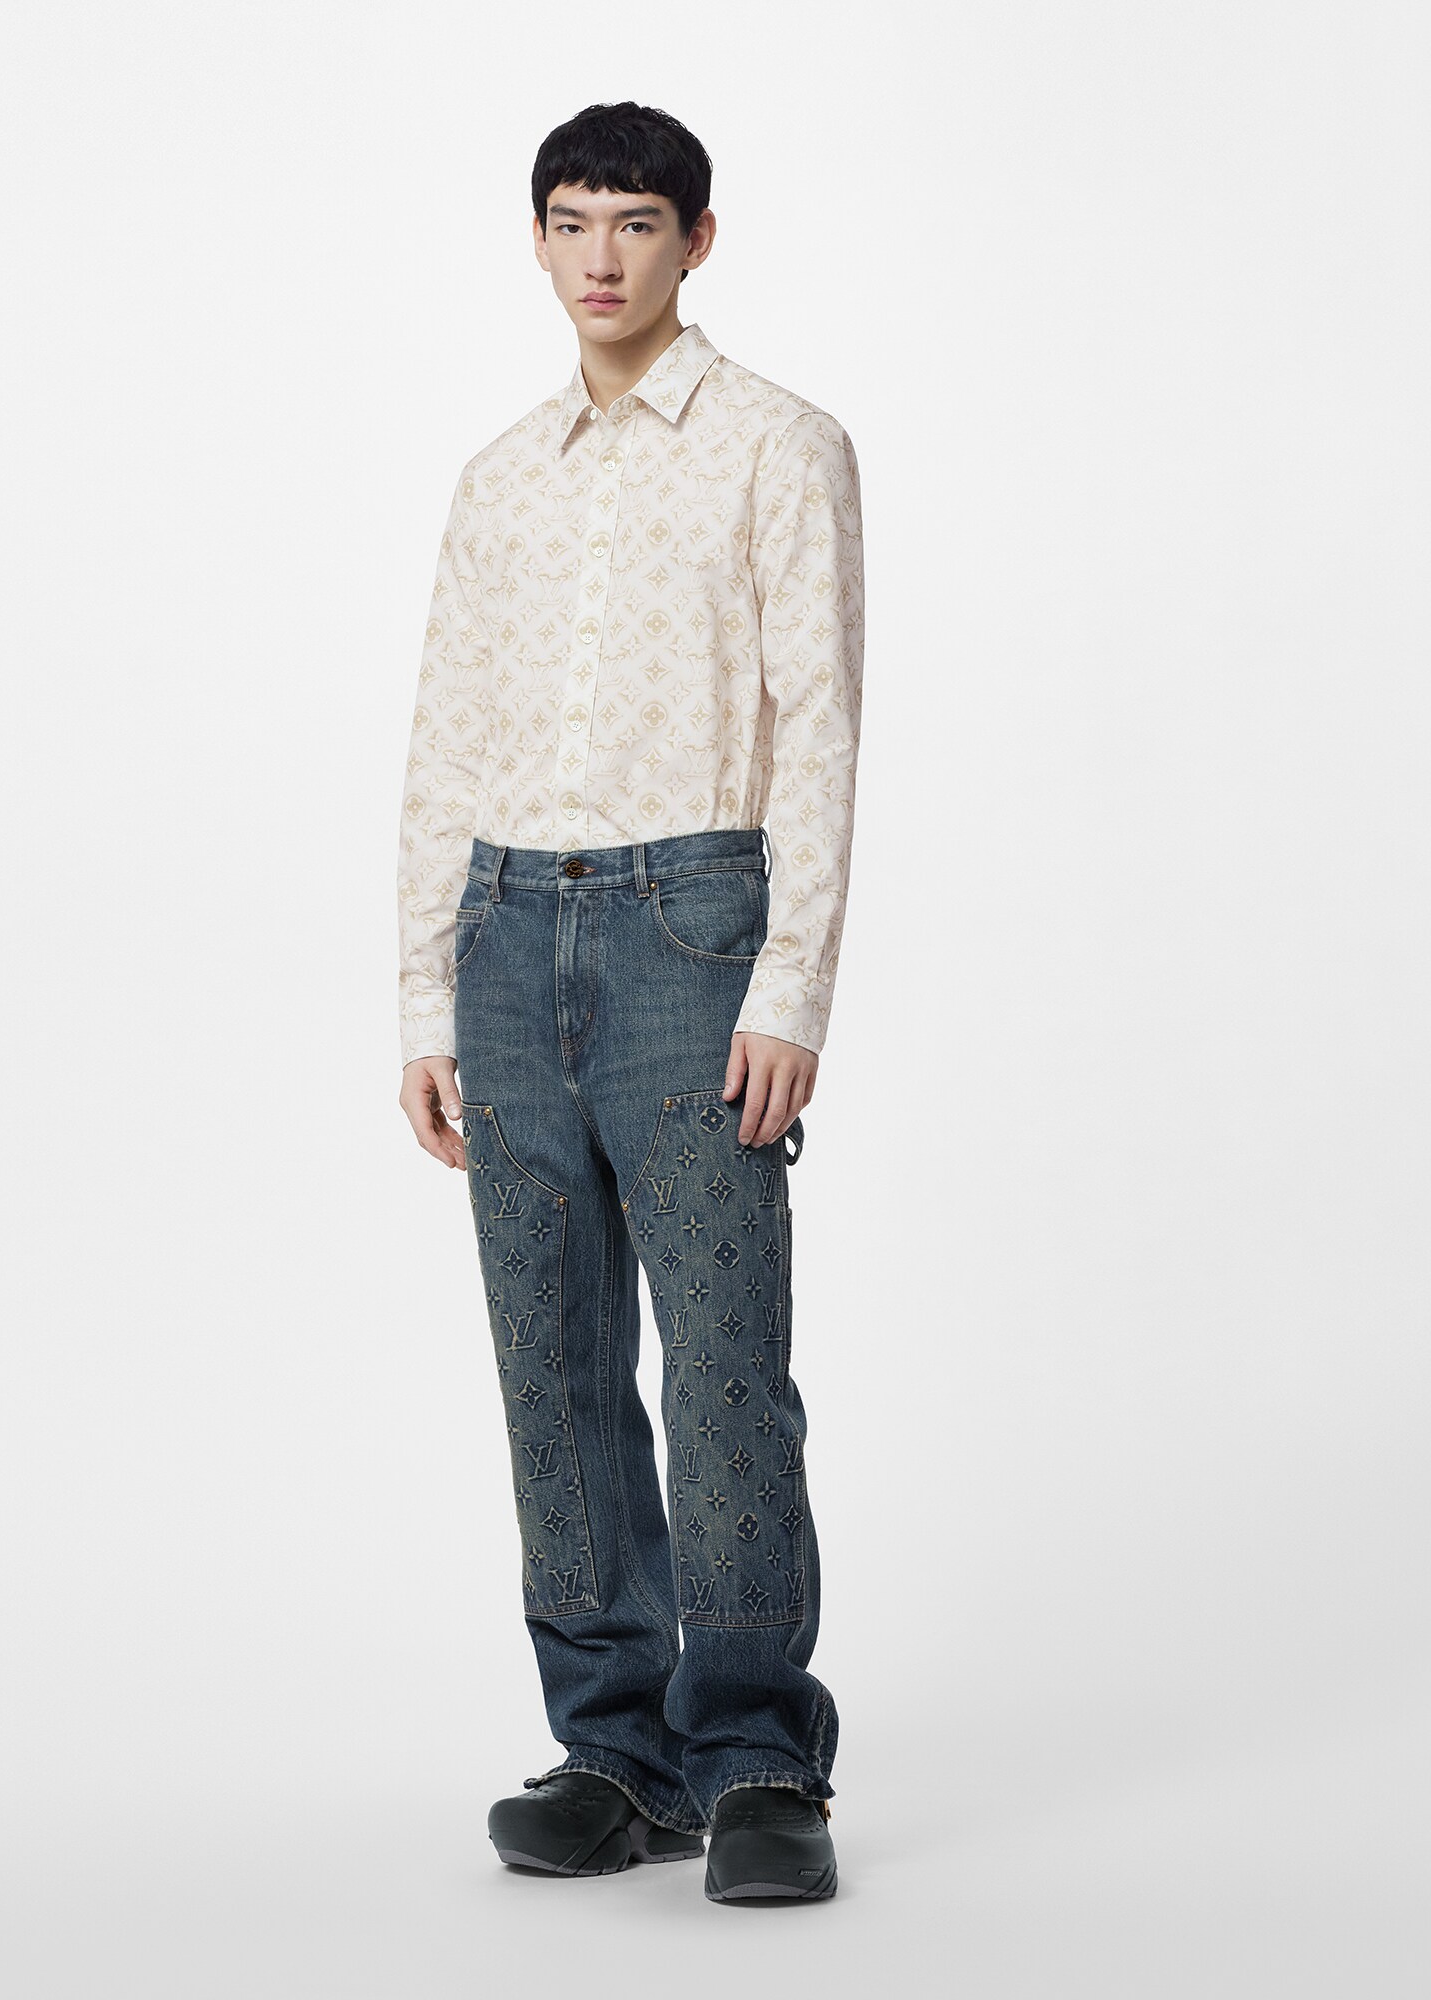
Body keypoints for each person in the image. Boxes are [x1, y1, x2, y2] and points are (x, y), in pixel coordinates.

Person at [395, 100, 864, 1904]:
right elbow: (446, 743)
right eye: (575, 222)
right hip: (509, 931)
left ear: (697, 241)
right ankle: (613, 1743)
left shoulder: (780, 445)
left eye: (639, 223)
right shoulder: (500, 477)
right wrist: (426, 997)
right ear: (538, 240)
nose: (604, 257)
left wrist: (791, 980)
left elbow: (820, 732)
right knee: (556, 1364)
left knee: (726, 1357)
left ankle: (754, 1755)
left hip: (693, 926)